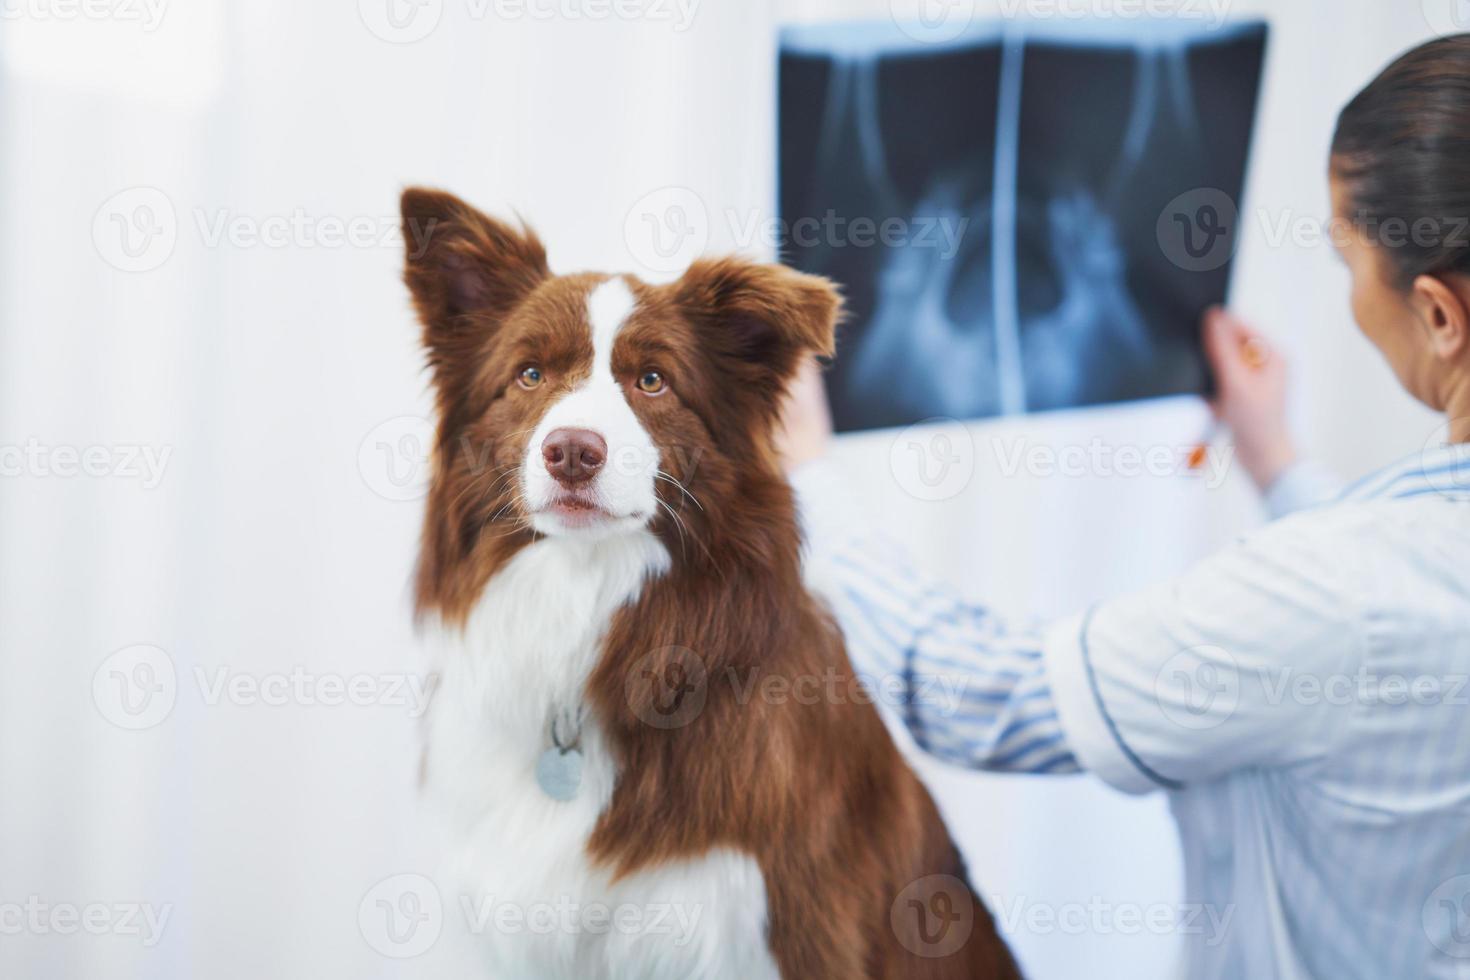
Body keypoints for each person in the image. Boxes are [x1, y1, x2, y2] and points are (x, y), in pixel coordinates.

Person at [779, 35, 1470, 980]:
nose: (1348, 295)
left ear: (1438, 315)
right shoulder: (1379, 576)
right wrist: (1279, 463)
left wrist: (807, 476)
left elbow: (978, 696)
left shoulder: (1337, 590)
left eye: (1344, 255)